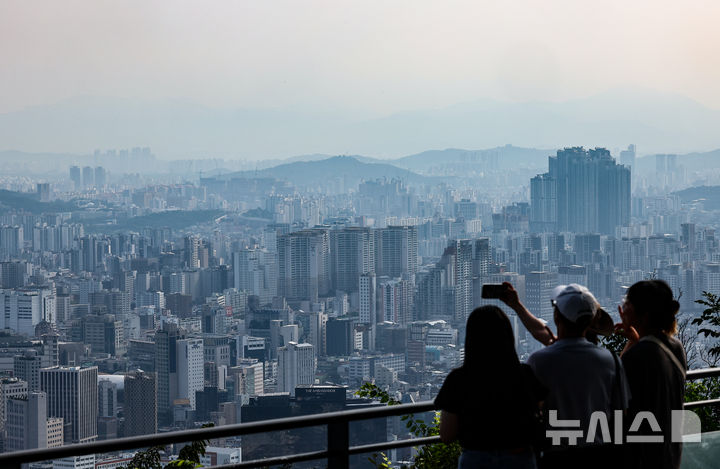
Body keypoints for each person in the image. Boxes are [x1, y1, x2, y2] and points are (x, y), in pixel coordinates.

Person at [517, 284, 630, 469]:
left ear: (556, 317)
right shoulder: (611, 361)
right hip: (599, 456)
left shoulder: (539, 361)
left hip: (555, 458)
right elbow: (621, 416)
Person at [435, 305, 546, 469]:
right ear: (508, 336)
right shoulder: (524, 374)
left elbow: (447, 435)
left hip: (476, 459)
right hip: (520, 457)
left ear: (471, 338)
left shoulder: (458, 379)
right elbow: (540, 411)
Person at [615, 280, 686, 469]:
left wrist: (631, 344)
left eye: (627, 304)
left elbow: (617, 400)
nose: (623, 308)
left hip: (642, 459)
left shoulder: (639, 356)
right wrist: (635, 339)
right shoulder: (676, 347)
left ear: (643, 315)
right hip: (670, 455)